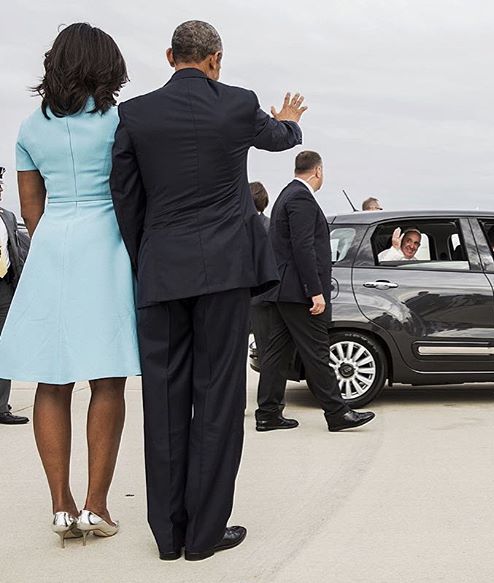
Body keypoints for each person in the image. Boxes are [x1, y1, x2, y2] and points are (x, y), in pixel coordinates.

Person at [110, 20, 304, 561]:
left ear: (171, 55)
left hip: (161, 271)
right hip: (223, 273)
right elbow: (279, 137)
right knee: (217, 398)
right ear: (216, 59)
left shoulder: (135, 113)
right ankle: (205, 533)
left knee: (163, 401)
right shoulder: (239, 104)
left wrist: (146, 255)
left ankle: (167, 536)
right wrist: (289, 121)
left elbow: (125, 196)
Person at [0, 23, 140, 546]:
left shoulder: (30, 127)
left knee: (51, 379)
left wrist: (55, 239)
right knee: (107, 379)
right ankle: (96, 506)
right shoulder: (118, 122)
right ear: (107, 66)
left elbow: (31, 211)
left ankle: (59, 506)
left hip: (53, 248)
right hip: (106, 248)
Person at [255, 151, 375, 432]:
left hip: (284, 291)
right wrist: (315, 291)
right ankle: (337, 413)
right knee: (318, 351)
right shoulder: (301, 198)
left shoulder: (287, 193)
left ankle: (268, 414)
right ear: (318, 170)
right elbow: (303, 247)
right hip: (299, 293)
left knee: (276, 353)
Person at [0, 165, 30, 425]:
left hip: (4, 288)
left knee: (4, 348)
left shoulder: (8, 217)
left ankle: (1, 408)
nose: (0, 190)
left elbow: (19, 247)